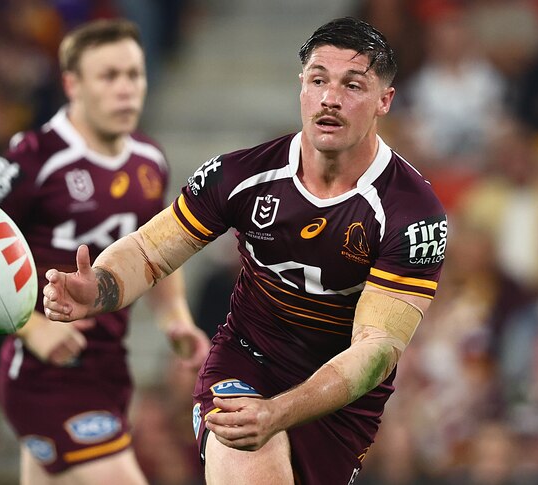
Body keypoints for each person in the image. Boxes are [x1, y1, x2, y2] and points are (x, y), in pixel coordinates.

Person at [43, 17, 447, 484]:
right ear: (302, 86)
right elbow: (150, 250)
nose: (330, 98)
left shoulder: (412, 213)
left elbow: (375, 353)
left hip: (339, 402)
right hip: (244, 364)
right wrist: (102, 286)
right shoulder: (240, 176)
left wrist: (279, 412)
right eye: (318, 80)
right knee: (246, 457)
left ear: (384, 101)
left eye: (352, 85)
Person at [0, 19, 210, 484]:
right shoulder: (33, 156)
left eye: (134, 75)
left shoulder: (150, 160)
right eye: (109, 76)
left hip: (108, 368)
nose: (126, 90)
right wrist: (31, 324)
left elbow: (156, 253)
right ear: (72, 84)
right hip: (43, 374)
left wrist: (176, 319)